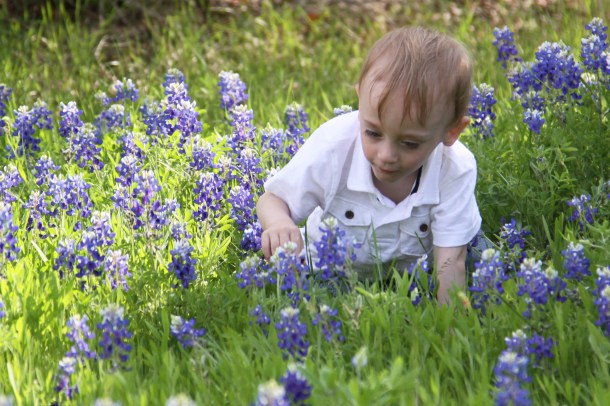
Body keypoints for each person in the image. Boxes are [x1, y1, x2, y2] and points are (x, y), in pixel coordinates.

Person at [256, 26, 481, 304]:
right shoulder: (333, 146)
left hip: (413, 276)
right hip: (332, 268)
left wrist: (451, 325)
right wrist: (278, 222)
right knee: (304, 293)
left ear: (451, 132)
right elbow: (272, 198)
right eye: (373, 133)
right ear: (360, 97)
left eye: (410, 143)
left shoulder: (456, 168)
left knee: (477, 252)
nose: (386, 155)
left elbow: (450, 262)